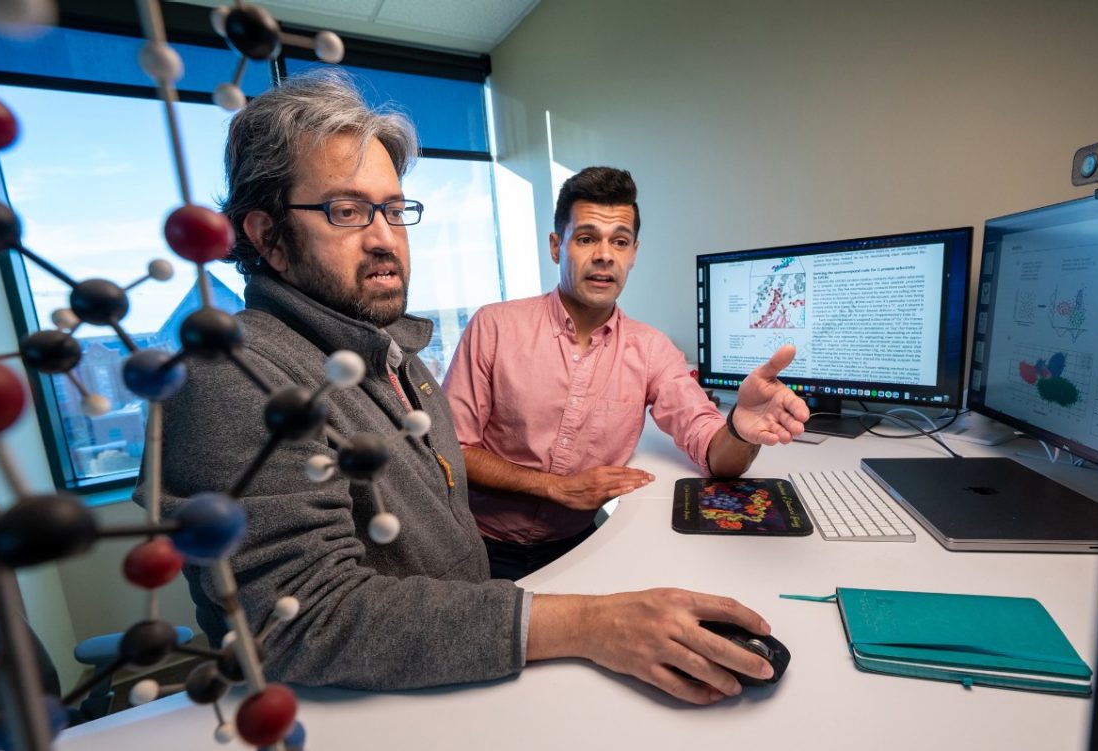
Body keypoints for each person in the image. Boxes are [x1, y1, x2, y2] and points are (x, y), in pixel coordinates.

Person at [136, 70, 779, 705]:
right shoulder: (230, 373)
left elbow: (702, 436)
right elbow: (303, 619)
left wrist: (739, 432)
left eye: (393, 209)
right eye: (348, 210)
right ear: (267, 236)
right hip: (379, 701)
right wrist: (588, 621)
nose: (386, 238)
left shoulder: (395, 357)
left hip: (480, 640)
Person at [443, 167, 811, 580]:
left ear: (633, 252)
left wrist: (739, 429)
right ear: (555, 245)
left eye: (619, 241)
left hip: (580, 548)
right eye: (586, 239)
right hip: (476, 544)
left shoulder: (652, 349)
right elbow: (451, 451)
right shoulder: (494, 327)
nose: (604, 255)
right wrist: (554, 487)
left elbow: (712, 453)